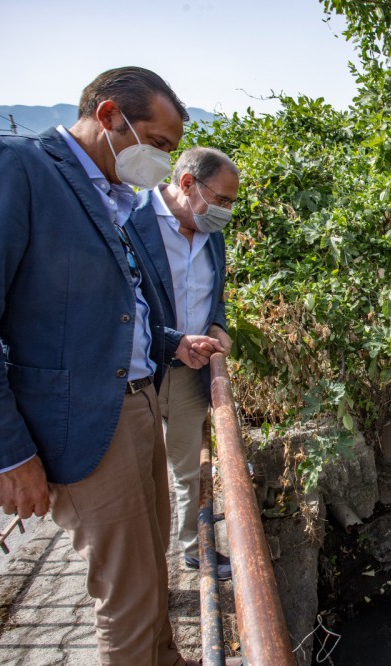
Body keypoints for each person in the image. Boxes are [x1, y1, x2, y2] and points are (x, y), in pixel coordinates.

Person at [0, 66, 225, 665]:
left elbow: (105, 310)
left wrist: (172, 341)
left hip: (135, 402)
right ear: (108, 116)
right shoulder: (15, 169)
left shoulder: (107, 195)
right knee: (127, 595)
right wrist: (4, 454)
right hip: (85, 423)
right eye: (156, 143)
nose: (158, 161)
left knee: (150, 569)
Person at [127, 147, 238, 580]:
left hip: (192, 375)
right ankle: (144, 567)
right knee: (139, 475)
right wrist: (173, 342)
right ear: (187, 183)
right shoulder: (129, 223)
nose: (226, 212)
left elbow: (216, 296)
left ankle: (194, 549)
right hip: (141, 374)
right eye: (222, 200)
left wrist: (217, 325)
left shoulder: (213, 237)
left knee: (189, 469)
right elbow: (123, 304)